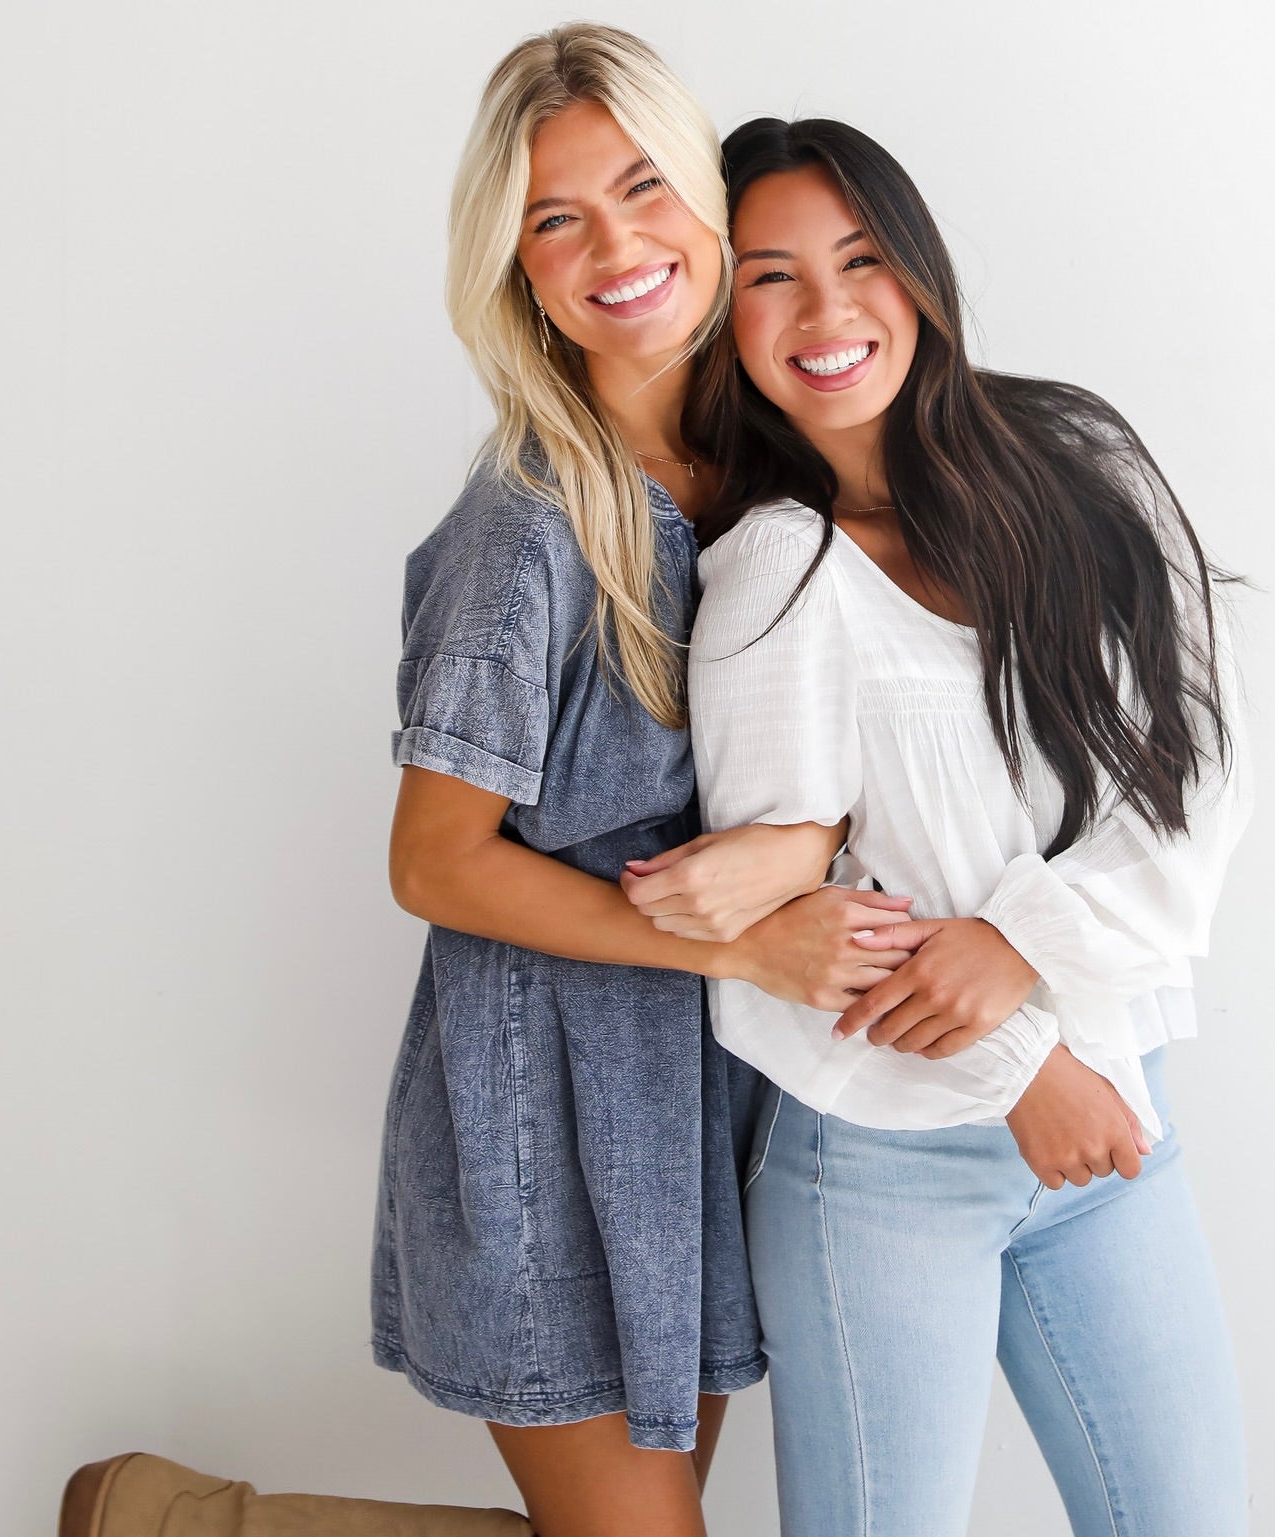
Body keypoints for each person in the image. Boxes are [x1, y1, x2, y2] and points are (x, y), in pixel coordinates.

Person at [637, 118, 1254, 1536]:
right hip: (881, 1168)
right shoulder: (774, 572)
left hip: (1113, 1121)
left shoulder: (1074, 458)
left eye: (859, 259)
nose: (828, 309)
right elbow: (800, 928)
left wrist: (1019, 941)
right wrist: (1025, 1062)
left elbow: (1197, 764)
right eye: (770, 275)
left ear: (919, 271)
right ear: (723, 319)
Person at [372, 43, 913, 1537]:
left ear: (709, 200)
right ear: (517, 270)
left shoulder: (769, 470)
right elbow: (435, 861)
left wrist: (799, 848)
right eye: (556, 220)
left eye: (642, 187)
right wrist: (735, 938)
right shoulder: (527, 530)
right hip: (544, 1115)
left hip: (708, 1105)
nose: (614, 246)